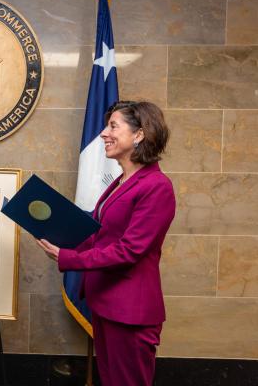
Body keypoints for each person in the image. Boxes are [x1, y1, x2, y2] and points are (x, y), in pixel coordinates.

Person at [36, 101, 176, 386]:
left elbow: (129, 251)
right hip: (107, 304)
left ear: (139, 135)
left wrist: (69, 258)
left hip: (130, 312)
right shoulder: (122, 180)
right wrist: (56, 233)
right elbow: (100, 234)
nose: (103, 134)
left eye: (113, 126)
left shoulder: (157, 186)